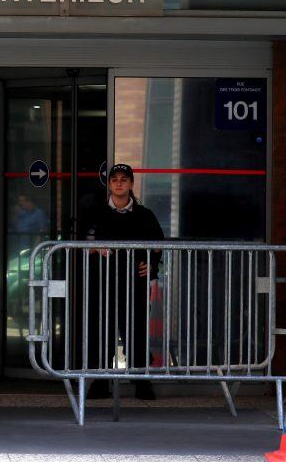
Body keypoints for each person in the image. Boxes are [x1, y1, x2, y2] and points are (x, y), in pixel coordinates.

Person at [85, 163, 164, 400]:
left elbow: (158, 246)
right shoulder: (97, 213)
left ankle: (141, 382)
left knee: (136, 330)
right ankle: (100, 382)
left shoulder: (144, 215)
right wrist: (96, 250)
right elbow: (83, 244)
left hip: (134, 285)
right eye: (114, 179)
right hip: (103, 283)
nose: (119, 183)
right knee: (102, 331)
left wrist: (150, 265)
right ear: (109, 184)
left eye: (124, 179)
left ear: (131, 184)